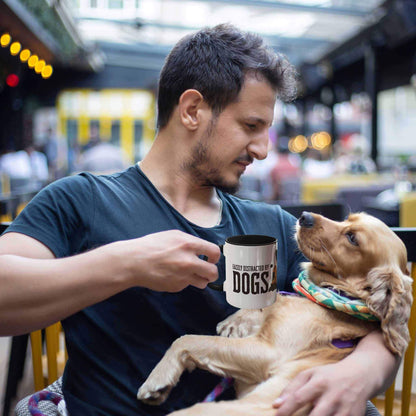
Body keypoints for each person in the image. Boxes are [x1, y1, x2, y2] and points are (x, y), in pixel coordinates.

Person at [0, 24, 397, 416]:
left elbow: (376, 322)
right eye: (251, 126)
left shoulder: (272, 225)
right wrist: (125, 265)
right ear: (192, 111)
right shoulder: (81, 200)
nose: (261, 150)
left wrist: (360, 374)